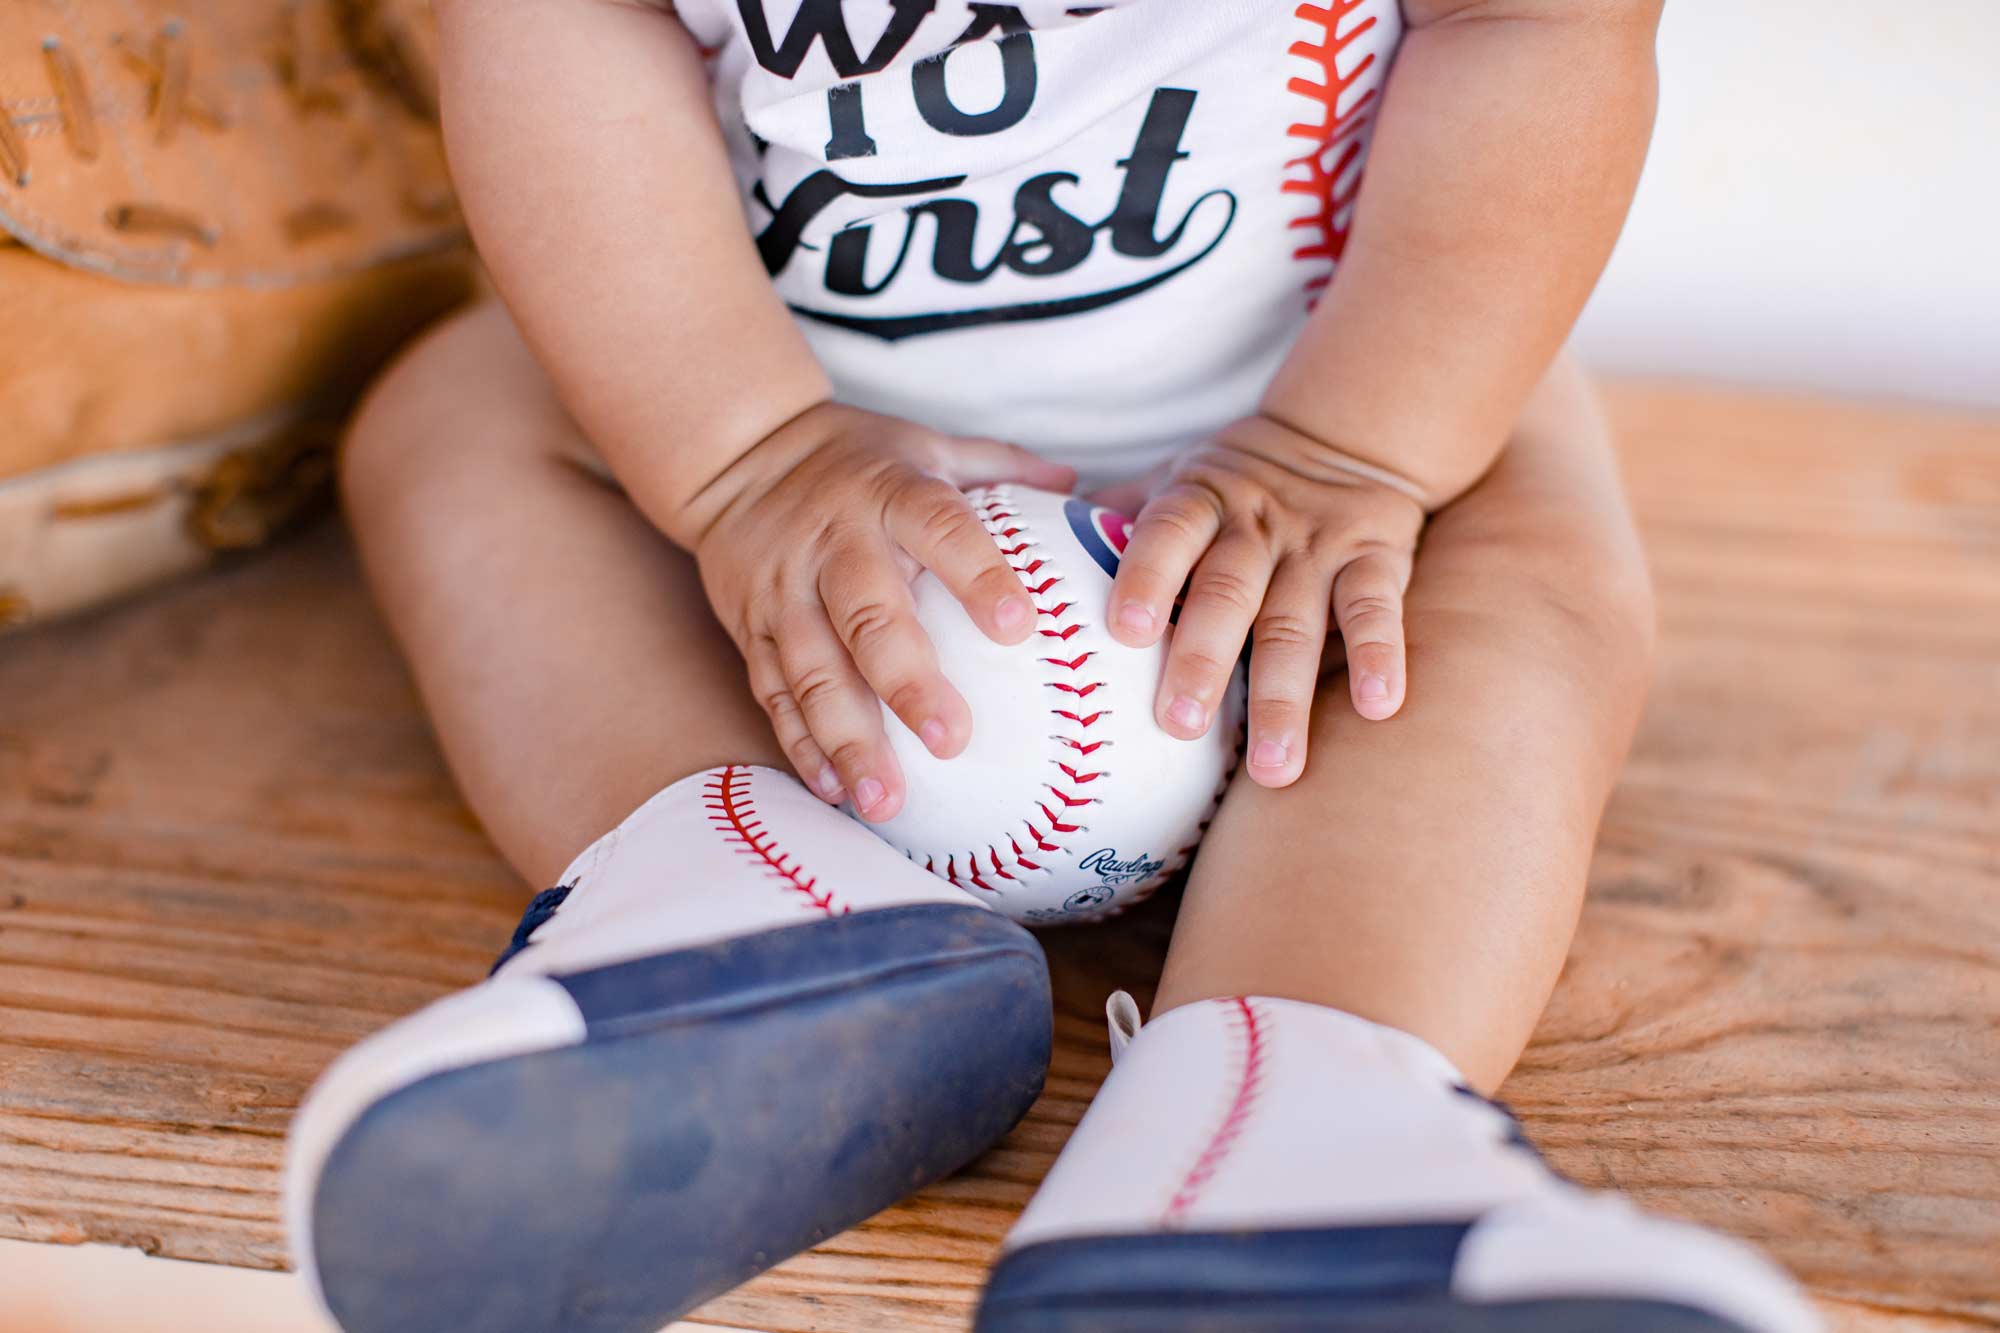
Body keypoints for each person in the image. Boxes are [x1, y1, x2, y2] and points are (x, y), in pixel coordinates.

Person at [285, 1, 1820, 1329]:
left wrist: (1354, 442)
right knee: (457, 421)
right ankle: (756, 890)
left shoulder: (1350, 430)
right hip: (781, 415)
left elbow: (1537, 31)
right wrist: (742, 456)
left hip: (1319, 413)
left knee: (1531, 556)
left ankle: (1284, 1108)